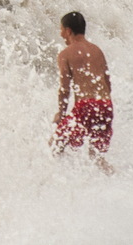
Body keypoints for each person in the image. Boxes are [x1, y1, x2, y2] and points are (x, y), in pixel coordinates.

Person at [52, 11, 113, 170]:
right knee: (96, 156)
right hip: (105, 105)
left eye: (61, 30)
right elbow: (107, 82)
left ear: (68, 31)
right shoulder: (97, 50)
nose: (61, 34)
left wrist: (62, 114)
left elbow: (64, 89)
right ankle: (113, 177)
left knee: (55, 144)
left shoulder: (65, 54)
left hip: (86, 107)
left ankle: (62, 177)